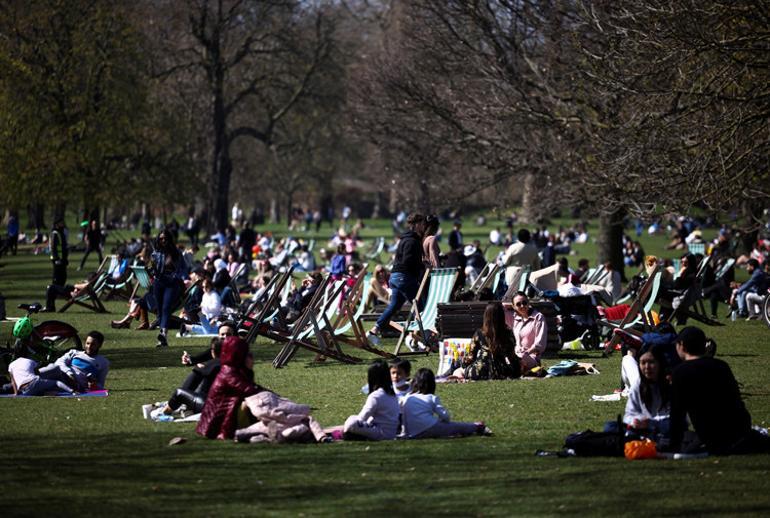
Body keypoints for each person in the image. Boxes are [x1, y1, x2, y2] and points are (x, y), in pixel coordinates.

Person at [667, 327, 770, 455]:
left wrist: (673, 444)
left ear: (681, 345)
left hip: (712, 437)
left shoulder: (680, 372)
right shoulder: (721, 365)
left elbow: (677, 414)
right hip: (739, 431)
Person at [367, 213, 426, 346]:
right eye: (422, 224)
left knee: (394, 305)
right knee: (421, 306)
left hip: (395, 277)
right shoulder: (412, 241)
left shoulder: (404, 239)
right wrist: (422, 265)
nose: (423, 227)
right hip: (404, 277)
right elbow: (407, 261)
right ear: (416, 225)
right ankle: (416, 339)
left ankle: (373, 331)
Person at [196, 336, 267, 440]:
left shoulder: (241, 370)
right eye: (247, 355)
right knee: (252, 404)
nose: (251, 358)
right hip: (215, 425)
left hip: (229, 416)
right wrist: (274, 397)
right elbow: (250, 390)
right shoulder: (228, 372)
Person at [401, 368, 491, 439]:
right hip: (429, 427)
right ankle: (477, 426)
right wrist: (441, 422)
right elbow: (446, 417)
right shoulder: (431, 397)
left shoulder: (408, 397)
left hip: (412, 433)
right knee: (455, 427)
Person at [151, 337, 223, 419]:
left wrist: (200, 367)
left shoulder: (217, 363)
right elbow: (199, 359)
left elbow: (201, 367)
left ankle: (164, 412)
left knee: (180, 392)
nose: (224, 337)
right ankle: (185, 407)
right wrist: (190, 360)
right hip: (225, 404)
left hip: (211, 406)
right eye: (222, 334)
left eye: (228, 334)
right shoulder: (230, 361)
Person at [343, 360, 400, 441]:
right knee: (352, 419)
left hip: (381, 433)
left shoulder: (376, 395)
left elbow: (362, 417)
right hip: (392, 432)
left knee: (351, 422)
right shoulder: (391, 393)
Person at [623, 343, 671, 439]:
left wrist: (651, 423)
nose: (647, 367)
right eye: (643, 363)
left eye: (651, 362)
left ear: (660, 363)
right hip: (643, 427)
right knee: (610, 426)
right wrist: (635, 421)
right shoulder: (638, 385)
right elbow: (629, 414)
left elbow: (679, 419)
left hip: (663, 427)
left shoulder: (670, 385)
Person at [463, 302, 521, 380]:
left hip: (479, 370)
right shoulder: (507, 333)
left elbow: (470, 356)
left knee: (458, 368)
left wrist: (463, 364)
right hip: (500, 370)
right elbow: (511, 356)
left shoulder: (479, 333)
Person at [150, 229, 187, 348]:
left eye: (165, 238)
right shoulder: (156, 253)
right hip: (158, 282)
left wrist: (176, 276)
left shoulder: (176, 252)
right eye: (161, 238)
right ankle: (162, 340)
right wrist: (151, 271)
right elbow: (153, 268)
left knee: (166, 308)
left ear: (169, 239)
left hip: (171, 283)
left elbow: (184, 268)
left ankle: (163, 334)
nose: (163, 240)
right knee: (160, 310)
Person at [39, 331, 109, 391]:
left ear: (99, 345)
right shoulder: (74, 352)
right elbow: (59, 362)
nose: (89, 347)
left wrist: (93, 386)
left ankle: (34, 379)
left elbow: (101, 385)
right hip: (63, 376)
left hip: (76, 385)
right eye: (87, 343)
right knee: (53, 367)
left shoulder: (103, 362)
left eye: (93, 344)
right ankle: (33, 377)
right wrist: (69, 374)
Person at [2, 352, 74, 396]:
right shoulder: (29, 360)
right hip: (33, 382)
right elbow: (37, 373)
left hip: (25, 391)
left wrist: (16, 394)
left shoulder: (11, 365)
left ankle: (47, 392)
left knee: (41, 389)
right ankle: (73, 391)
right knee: (56, 382)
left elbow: (13, 381)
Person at [508, 292, 547, 373]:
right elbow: (501, 307)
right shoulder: (515, 318)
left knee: (520, 357)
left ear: (528, 302)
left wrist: (527, 352)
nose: (522, 306)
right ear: (513, 307)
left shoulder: (538, 317)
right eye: (518, 304)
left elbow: (540, 344)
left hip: (531, 357)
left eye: (524, 303)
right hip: (517, 355)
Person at [49, 217, 69, 287]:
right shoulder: (55, 233)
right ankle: (54, 289)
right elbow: (53, 247)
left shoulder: (61, 232)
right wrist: (57, 258)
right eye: (61, 223)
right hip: (57, 258)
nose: (63, 224)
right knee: (57, 276)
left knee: (63, 276)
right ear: (57, 224)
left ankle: (60, 289)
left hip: (62, 258)